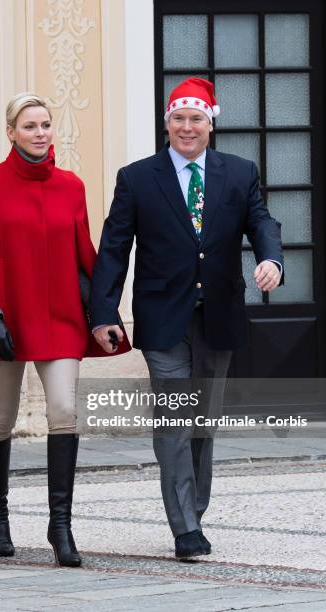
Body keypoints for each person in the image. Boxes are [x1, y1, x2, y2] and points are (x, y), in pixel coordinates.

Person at [0, 92, 130, 567]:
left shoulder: (71, 186)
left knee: (64, 411)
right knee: (1, 417)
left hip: (60, 320)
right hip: (6, 322)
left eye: (46, 125)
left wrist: (102, 318)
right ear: (11, 133)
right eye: (30, 125)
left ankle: (61, 527)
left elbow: (83, 261)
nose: (40, 133)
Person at [89, 78, 283, 561]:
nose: (187, 127)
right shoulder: (137, 177)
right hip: (162, 318)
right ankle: (186, 527)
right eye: (178, 118)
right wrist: (103, 311)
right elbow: (115, 247)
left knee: (203, 420)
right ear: (167, 123)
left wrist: (271, 260)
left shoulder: (239, 173)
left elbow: (261, 221)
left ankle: (193, 508)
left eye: (197, 119)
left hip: (217, 315)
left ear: (210, 124)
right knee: (176, 416)